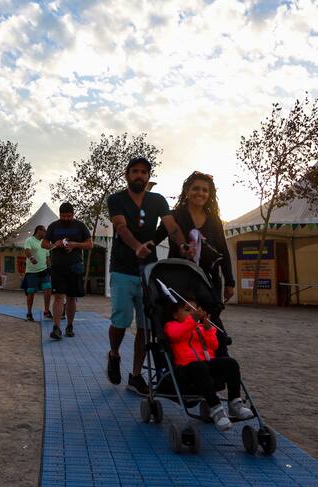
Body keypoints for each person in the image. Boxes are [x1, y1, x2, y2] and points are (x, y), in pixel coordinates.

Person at [106, 156, 192, 395]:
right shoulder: (116, 199)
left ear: (148, 176)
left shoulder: (157, 200)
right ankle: (114, 353)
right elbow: (121, 227)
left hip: (149, 271)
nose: (139, 175)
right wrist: (137, 247)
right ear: (127, 175)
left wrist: (183, 245)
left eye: (144, 172)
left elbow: (172, 227)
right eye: (135, 171)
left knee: (146, 325)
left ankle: (135, 376)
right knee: (121, 321)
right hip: (122, 269)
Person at [167, 171, 235, 356]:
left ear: (210, 194)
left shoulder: (214, 220)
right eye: (196, 188)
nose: (200, 193)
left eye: (205, 190)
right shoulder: (174, 216)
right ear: (187, 191)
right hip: (180, 281)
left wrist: (230, 281)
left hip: (208, 281)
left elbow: (223, 251)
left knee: (210, 320)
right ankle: (185, 359)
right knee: (183, 320)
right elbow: (155, 238)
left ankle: (219, 360)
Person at [164, 299, 252, 431]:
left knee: (231, 363)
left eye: (194, 310)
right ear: (175, 314)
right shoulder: (172, 326)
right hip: (186, 368)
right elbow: (175, 335)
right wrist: (192, 321)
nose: (192, 313)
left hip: (205, 365)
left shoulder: (199, 328)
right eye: (187, 310)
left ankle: (234, 402)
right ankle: (216, 409)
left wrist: (208, 330)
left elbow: (214, 345)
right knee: (199, 367)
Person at [42, 202, 92, 339]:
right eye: (63, 216)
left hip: (75, 268)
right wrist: (54, 244)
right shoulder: (53, 226)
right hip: (58, 267)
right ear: (59, 214)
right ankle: (56, 328)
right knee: (58, 297)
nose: (66, 219)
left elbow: (90, 244)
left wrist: (75, 244)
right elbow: (44, 244)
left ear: (73, 214)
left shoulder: (80, 226)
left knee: (71, 298)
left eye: (68, 216)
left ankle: (69, 326)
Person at [23, 225, 52, 321]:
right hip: (32, 271)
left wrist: (50, 267)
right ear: (38, 231)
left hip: (44, 270)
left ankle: (46, 311)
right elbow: (27, 250)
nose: (45, 233)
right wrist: (31, 258)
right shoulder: (29, 240)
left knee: (48, 288)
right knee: (31, 292)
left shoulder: (45, 243)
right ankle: (29, 313)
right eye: (44, 231)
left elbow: (47, 256)